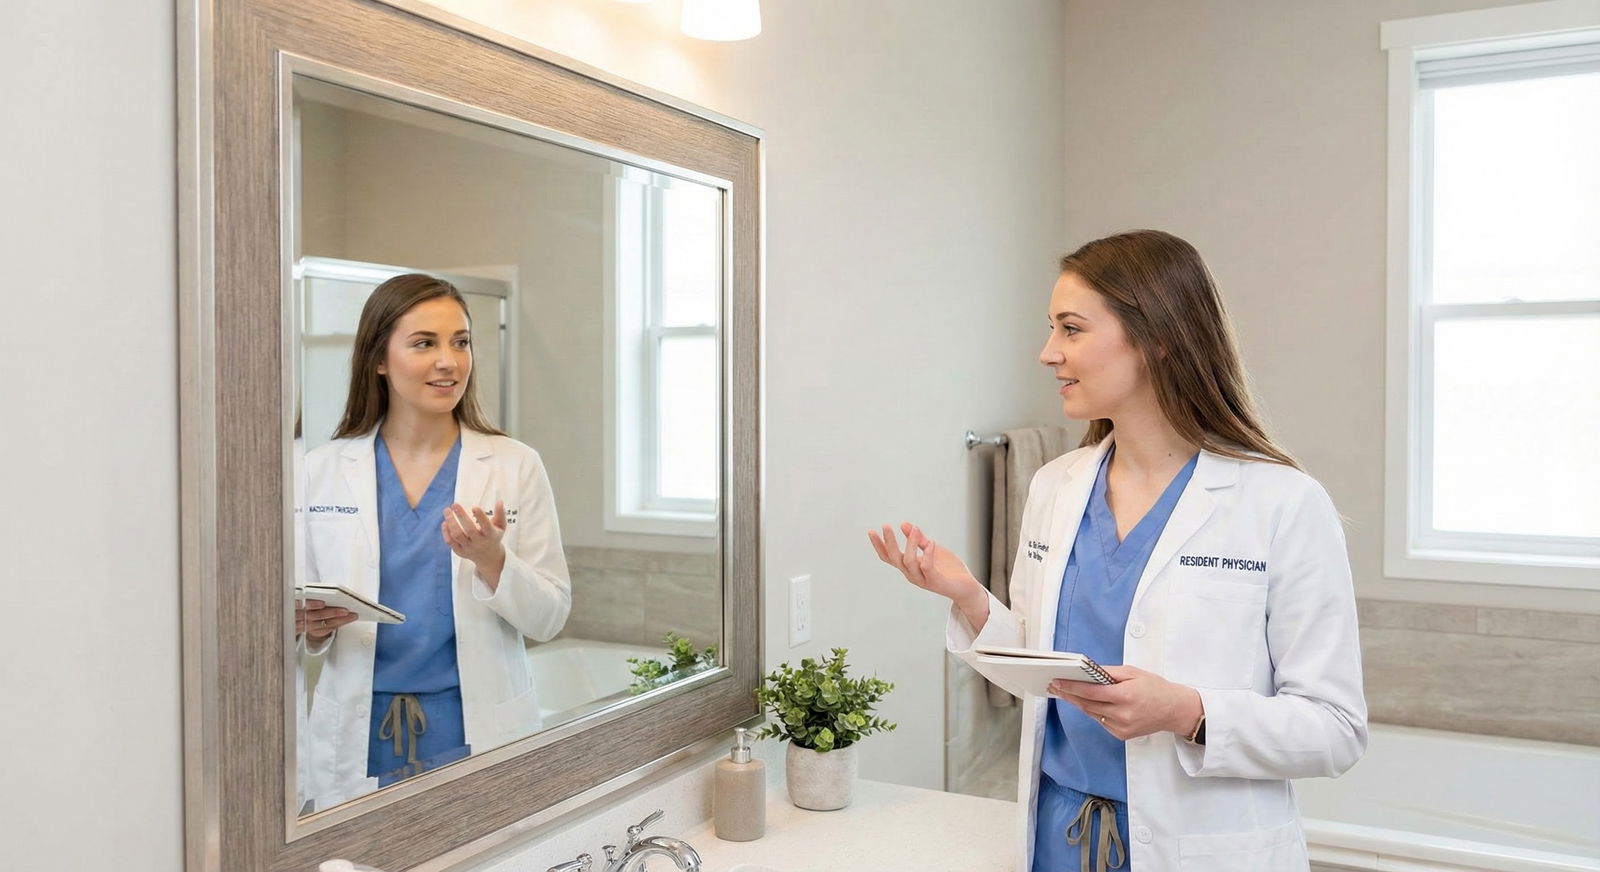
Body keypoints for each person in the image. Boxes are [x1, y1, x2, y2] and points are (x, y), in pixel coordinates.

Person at [869, 231, 1366, 871]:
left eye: (1072, 329)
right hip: (1058, 836)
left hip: (1201, 848)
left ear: (1157, 338)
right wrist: (968, 596)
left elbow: (1336, 729)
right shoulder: (1055, 486)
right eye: (1052, 328)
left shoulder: (1282, 502)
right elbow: (1045, 672)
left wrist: (1186, 712)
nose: (1048, 352)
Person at [297, 273, 572, 811]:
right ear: (379, 358)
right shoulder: (320, 470)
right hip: (357, 725)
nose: (449, 361)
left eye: (460, 342)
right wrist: (311, 625)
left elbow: (550, 617)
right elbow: (297, 607)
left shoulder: (514, 464)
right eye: (424, 343)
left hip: (473, 723)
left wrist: (493, 560)